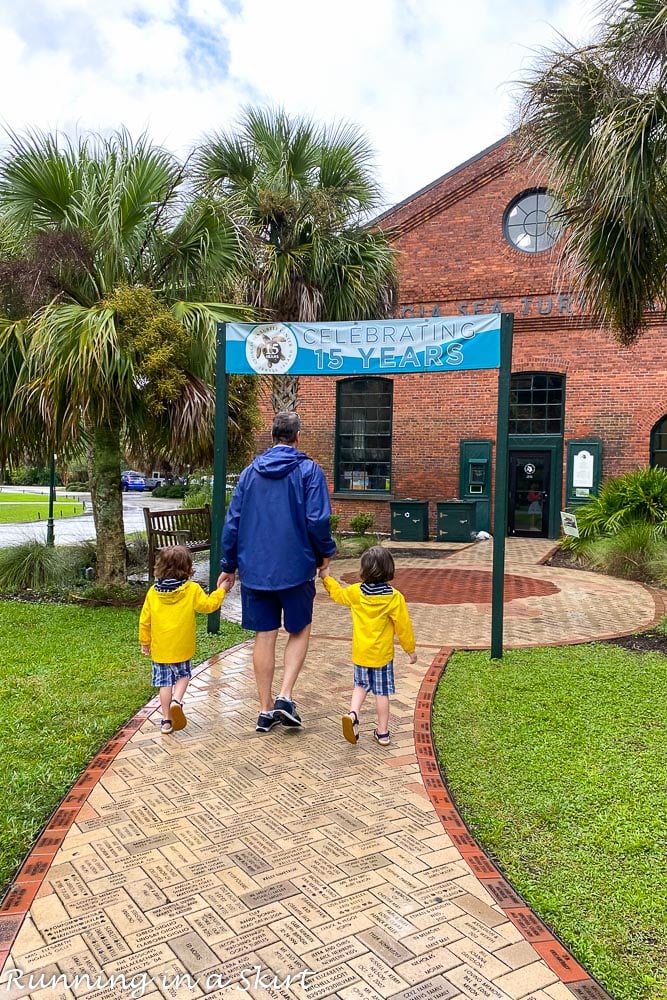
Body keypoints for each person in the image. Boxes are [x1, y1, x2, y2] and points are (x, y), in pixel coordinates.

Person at [217, 411, 336, 733]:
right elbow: (317, 520)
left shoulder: (248, 475)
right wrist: (325, 552)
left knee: (264, 636)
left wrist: (228, 567)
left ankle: (265, 708)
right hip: (296, 567)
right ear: (297, 436)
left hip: (255, 569)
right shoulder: (309, 471)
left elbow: (232, 522)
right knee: (299, 629)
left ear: (272, 436)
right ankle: (285, 695)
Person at [319, 546, 417, 747]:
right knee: (381, 692)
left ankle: (353, 714)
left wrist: (326, 578)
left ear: (363, 570)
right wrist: (410, 650)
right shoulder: (394, 597)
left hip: (361, 653)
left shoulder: (355, 592)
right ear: (389, 569)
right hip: (382, 655)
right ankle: (382, 733)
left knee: (360, 686)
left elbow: (338, 594)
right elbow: (403, 626)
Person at [140, 545, 231, 734]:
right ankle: (177, 701)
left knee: (164, 683)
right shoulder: (191, 589)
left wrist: (145, 642)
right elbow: (208, 606)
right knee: (183, 675)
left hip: (161, 648)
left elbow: (145, 620)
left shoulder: (152, 592)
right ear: (187, 567)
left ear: (161, 566)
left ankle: (166, 721)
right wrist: (221, 590)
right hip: (182, 646)